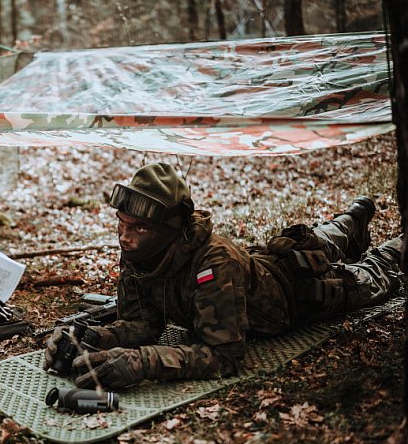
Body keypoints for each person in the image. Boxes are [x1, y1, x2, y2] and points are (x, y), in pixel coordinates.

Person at [44, 162, 404, 390]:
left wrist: (143, 363)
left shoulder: (213, 263)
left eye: (139, 227)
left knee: (377, 271)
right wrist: (94, 337)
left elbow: (226, 355)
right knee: (326, 236)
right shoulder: (142, 252)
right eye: (121, 223)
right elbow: (144, 324)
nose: (125, 238)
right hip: (260, 266)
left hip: (297, 297)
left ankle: (390, 242)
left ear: (172, 228)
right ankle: (355, 219)